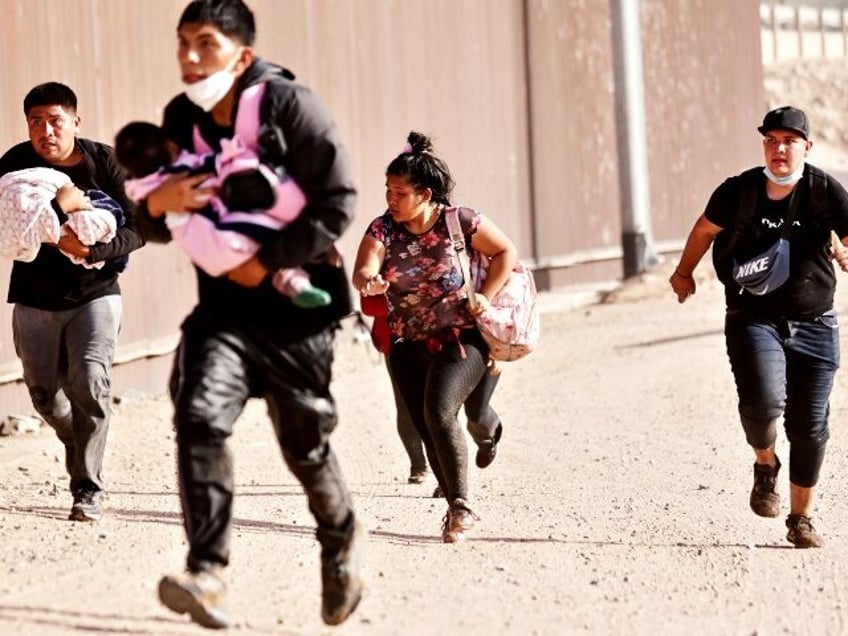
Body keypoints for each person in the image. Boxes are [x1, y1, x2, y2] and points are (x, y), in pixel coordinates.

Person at [130, 0, 363, 628]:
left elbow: (339, 199)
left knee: (304, 446)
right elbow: (152, 216)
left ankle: (340, 540)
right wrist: (161, 205)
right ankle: (207, 573)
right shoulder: (180, 118)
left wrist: (270, 262)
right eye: (182, 43)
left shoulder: (290, 106)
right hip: (224, 310)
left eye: (204, 43)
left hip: (297, 309)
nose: (188, 57)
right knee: (199, 416)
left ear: (243, 53)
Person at [669, 105, 848, 548]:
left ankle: (800, 519)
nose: (779, 149)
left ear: (806, 147)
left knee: (809, 426)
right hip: (754, 317)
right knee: (764, 405)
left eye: (789, 141)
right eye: (771, 140)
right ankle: (765, 463)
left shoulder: (825, 191)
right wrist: (683, 272)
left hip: (816, 323)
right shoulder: (738, 191)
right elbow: (704, 231)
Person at [353, 131, 516, 543]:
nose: (391, 198)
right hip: (407, 344)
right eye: (388, 190)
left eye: (400, 192)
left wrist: (485, 295)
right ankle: (453, 504)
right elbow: (364, 267)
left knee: (441, 411)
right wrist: (369, 281)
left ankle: (461, 506)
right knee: (428, 429)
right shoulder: (383, 228)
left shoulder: (460, 221)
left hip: (461, 339)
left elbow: (505, 252)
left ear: (425, 194)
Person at [0, 82, 144, 522]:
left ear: (76, 122)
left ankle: (87, 488)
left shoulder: (108, 163)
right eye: (36, 122)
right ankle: (77, 436)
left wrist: (91, 252)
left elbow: (138, 228)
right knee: (45, 396)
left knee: (90, 379)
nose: (46, 131)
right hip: (33, 296)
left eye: (56, 120)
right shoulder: (15, 165)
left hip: (94, 296)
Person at [114, 120, 331, 308]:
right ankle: (301, 272)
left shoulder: (138, 185)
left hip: (205, 249)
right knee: (266, 234)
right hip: (223, 237)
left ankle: (298, 276)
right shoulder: (182, 144)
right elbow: (151, 228)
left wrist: (156, 202)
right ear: (170, 144)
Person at [0, 166, 126, 268]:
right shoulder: (17, 158)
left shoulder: (104, 159)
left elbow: (135, 230)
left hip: (98, 289)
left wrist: (88, 252)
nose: (48, 133)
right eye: (33, 131)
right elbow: (11, 237)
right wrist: (60, 206)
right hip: (35, 289)